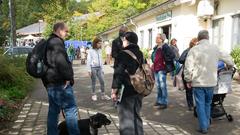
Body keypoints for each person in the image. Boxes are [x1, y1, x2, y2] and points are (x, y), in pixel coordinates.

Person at [184, 30, 234, 134]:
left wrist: (188, 79)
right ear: (208, 38)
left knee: (200, 105)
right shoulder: (215, 48)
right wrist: (230, 65)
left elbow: (188, 66)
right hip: (211, 82)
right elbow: (229, 59)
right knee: (207, 104)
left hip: (198, 83)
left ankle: (204, 127)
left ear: (198, 39)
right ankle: (206, 124)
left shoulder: (194, 49)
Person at [41, 22, 80, 135]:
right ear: (59, 30)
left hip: (51, 83)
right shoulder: (56, 42)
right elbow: (61, 61)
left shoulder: (49, 41)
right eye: (66, 31)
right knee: (70, 110)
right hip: (60, 83)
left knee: (53, 111)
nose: (67, 34)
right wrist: (68, 77)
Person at [111, 32, 144, 135]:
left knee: (126, 120)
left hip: (126, 90)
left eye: (123, 40)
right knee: (136, 116)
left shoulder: (123, 54)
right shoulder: (140, 53)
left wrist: (114, 90)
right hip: (139, 88)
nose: (122, 42)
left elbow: (118, 73)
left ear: (126, 40)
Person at [87, 37, 111, 101]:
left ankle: (103, 95)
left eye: (100, 43)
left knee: (102, 81)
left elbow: (100, 60)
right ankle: (94, 95)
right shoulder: (91, 51)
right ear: (95, 43)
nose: (100, 45)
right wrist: (89, 70)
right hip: (93, 68)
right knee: (94, 82)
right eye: (99, 43)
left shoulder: (100, 50)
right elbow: (88, 60)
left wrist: (102, 69)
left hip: (100, 68)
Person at [178, 38, 198, 111]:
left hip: (195, 73)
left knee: (195, 90)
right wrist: (187, 61)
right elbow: (180, 60)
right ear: (193, 44)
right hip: (187, 72)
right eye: (196, 44)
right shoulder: (188, 51)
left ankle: (194, 105)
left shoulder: (197, 51)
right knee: (189, 90)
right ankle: (191, 105)